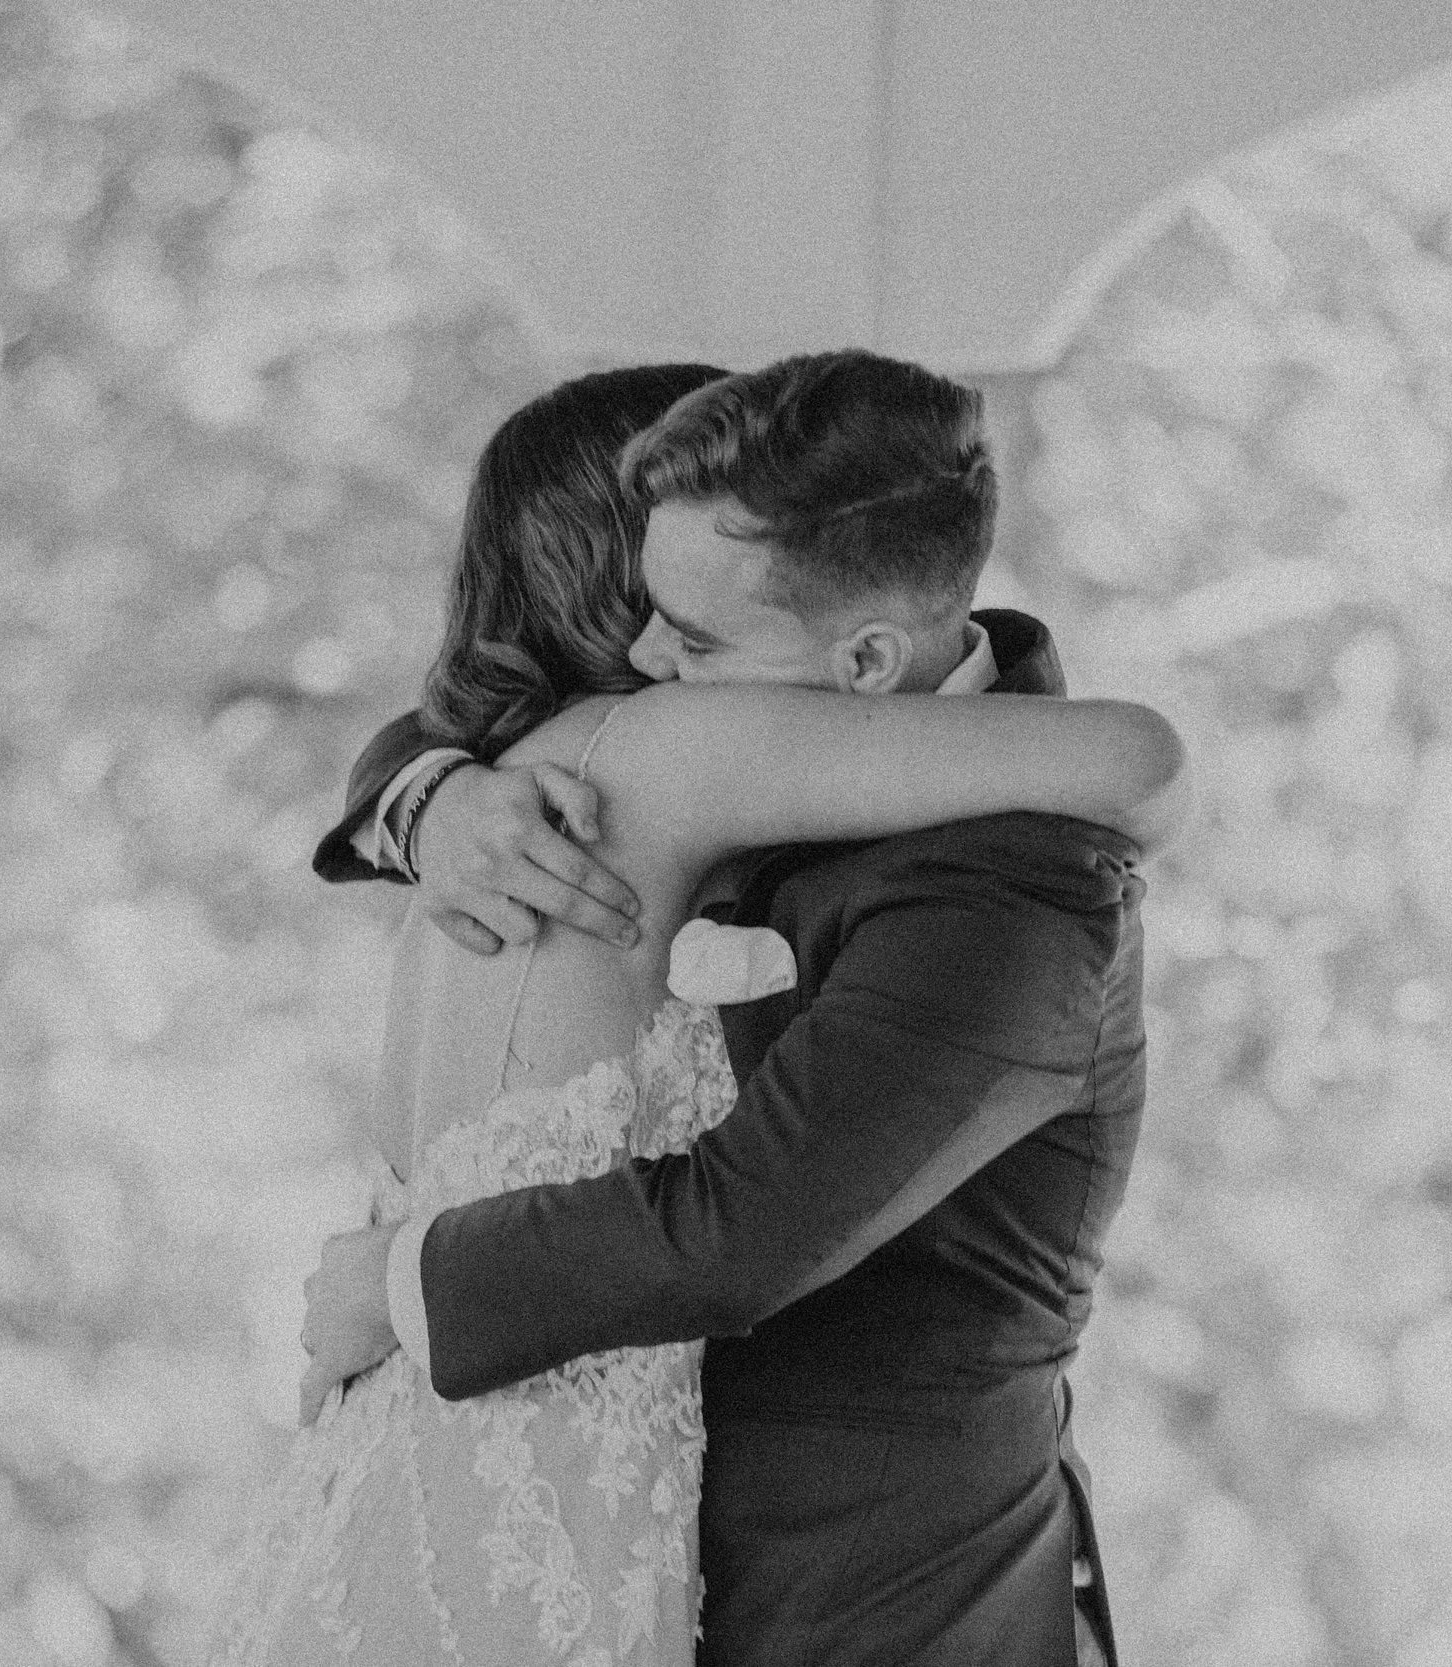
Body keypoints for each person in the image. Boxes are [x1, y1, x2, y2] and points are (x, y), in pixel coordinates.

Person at [241, 352, 1187, 1666]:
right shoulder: (675, 770)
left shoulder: (1015, 877)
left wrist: (399, 1281)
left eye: (688, 633)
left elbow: (745, 1226)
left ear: (866, 659)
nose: (649, 655)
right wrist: (423, 796)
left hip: (883, 1609)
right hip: (612, 1548)